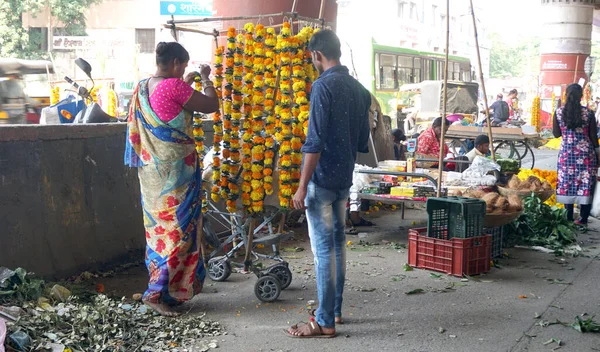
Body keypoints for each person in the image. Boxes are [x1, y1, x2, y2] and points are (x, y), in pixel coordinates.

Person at [124, 42, 219, 316]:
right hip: (176, 174)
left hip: (151, 176)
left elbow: (170, 106)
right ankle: (155, 294)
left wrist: (185, 82)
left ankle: (167, 291)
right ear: (176, 63)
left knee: (158, 234)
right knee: (178, 232)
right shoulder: (175, 87)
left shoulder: (142, 87)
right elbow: (211, 105)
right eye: (185, 66)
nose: (185, 71)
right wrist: (205, 79)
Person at [289, 29, 371, 338]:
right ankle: (333, 311)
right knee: (337, 247)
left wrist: (301, 186)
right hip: (343, 181)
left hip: (321, 181)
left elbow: (314, 142)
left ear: (317, 56)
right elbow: (363, 141)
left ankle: (324, 322)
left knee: (324, 251)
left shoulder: (322, 86)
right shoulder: (360, 90)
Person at [553, 83, 600, 225]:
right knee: (586, 184)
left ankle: (568, 216)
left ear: (566, 95)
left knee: (567, 183)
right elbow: (593, 137)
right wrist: (598, 154)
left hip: (567, 155)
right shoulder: (589, 113)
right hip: (586, 156)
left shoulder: (559, 112)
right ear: (581, 96)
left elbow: (556, 134)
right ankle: (583, 219)